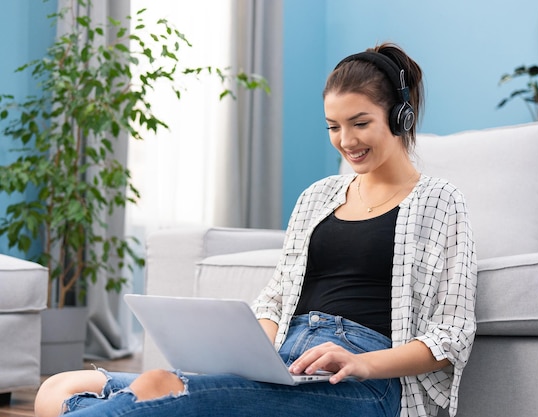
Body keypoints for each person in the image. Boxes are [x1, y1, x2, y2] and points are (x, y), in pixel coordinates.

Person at [34, 42, 477, 417]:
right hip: (282, 363)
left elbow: (451, 332)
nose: (346, 140)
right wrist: (245, 357)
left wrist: (364, 364)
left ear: (400, 118)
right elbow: (277, 298)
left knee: (159, 386)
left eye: (360, 123)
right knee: (59, 388)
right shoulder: (318, 196)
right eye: (334, 126)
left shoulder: (440, 201)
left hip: (363, 382)